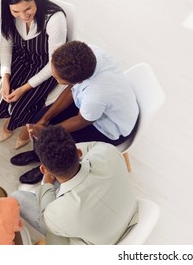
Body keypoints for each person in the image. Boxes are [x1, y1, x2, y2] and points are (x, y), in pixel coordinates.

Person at [11, 41, 139, 184]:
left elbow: (81, 120)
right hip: (94, 108)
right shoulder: (89, 54)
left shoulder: (95, 96)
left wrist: (48, 133)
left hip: (110, 127)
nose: (54, 78)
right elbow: (72, 90)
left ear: (78, 81)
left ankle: (48, 170)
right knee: (38, 119)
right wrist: (44, 121)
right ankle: (38, 154)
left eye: (57, 78)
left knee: (56, 145)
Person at [10, 126, 138, 245]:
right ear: (78, 153)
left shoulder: (58, 214)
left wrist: (47, 182)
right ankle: (40, 191)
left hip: (100, 246)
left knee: (17, 197)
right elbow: (91, 147)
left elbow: (46, 215)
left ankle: (40, 191)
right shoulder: (107, 152)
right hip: (132, 215)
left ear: (43, 169)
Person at [0, 0, 68, 149]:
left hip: (46, 66)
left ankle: (21, 125)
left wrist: (24, 88)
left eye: (28, 9)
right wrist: (5, 77)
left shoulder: (54, 19)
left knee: (21, 105)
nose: (23, 16)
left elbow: (54, 62)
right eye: (16, 11)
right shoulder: (9, 14)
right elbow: (6, 45)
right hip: (20, 57)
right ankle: (12, 117)